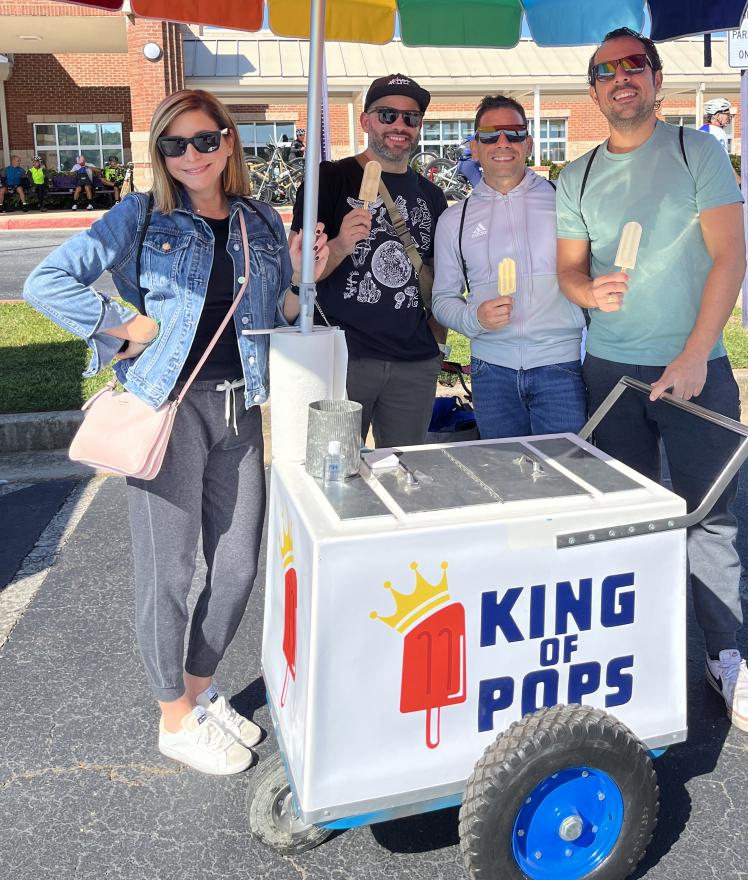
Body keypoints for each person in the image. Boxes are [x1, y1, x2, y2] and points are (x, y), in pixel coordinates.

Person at [25, 89, 328, 776]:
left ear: (228, 142)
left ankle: (198, 688)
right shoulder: (141, 215)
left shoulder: (257, 218)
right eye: (174, 144)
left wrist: (306, 276)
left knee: (238, 565)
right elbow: (48, 282)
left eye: (204, 139)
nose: (191, 154)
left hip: (242, 409)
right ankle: (172, 716)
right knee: (169, 572)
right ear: (160, 152)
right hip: (170, 408)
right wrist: (119, 325)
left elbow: (277, 312)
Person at [556, 27, 748, 735]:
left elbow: (730, 257)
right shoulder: (576, 176)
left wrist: (694, 353)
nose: (621, 78)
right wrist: (588, 294)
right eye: (606, 70)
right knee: (624, 520)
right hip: (610, 370)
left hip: (697, 371)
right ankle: (632, 656)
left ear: (656, 79)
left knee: (708, 517)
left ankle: (723, 654)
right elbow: (570, 269)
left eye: (635, 65)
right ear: (593, 92)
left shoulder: (695, 151)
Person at [290, 73, 448, 447]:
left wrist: (437, 345)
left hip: (414, 362)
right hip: (343, 357)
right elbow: (301, 274)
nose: (399, 125)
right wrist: (341, 244)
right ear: (365, 121)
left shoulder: (432, 196)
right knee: (335, 467)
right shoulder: (328, 180)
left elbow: (439, 278)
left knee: (405, 469)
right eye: (387, 114)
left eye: (410, 117)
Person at [432, 95, 586, 438]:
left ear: (528, 143)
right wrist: (474, 318)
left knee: (566, 468)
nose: (502, 142)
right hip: (491, 371)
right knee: (503, 468)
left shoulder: (565, 203)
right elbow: (442, 299)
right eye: (490, 135)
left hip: (560, 366)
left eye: (514, 133)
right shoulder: (455, 220)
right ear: (475, 147)